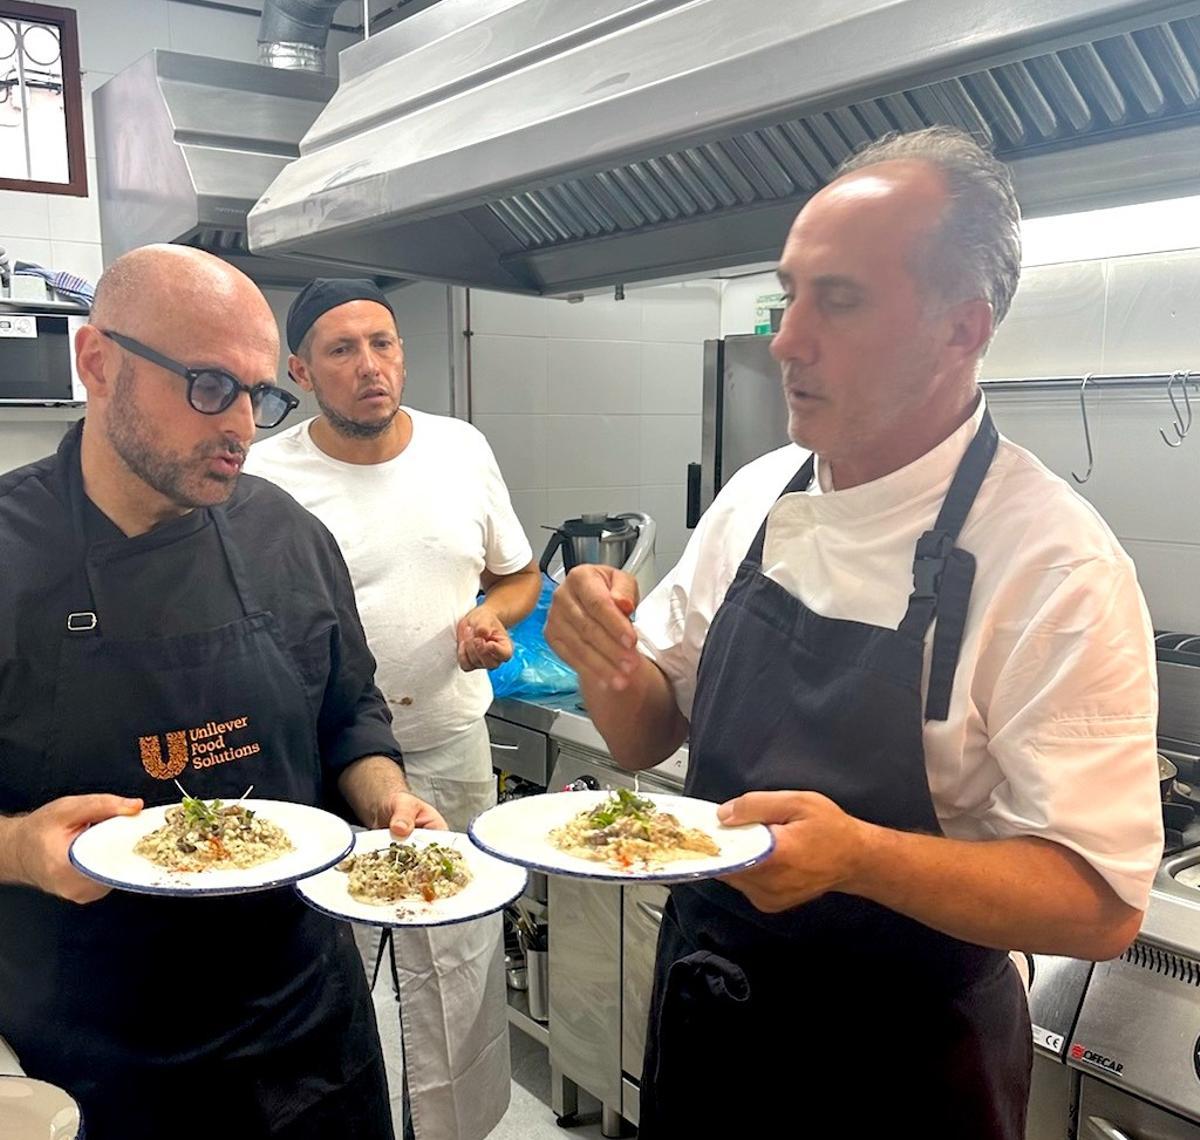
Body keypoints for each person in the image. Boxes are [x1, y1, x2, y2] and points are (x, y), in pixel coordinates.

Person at [545, 127, 1163, 1138]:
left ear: (961, 332)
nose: (788, 338)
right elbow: (646, 736)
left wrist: (858, 856)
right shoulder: (756, 497)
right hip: (715, 1027)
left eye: (839, 299)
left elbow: (1098, 904)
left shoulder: (1053, 563)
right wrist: (604, 656)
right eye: (790, 293)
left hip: (903, 1072)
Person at [0, 245, 446, 1140]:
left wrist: (388, 798)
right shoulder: (10, 552)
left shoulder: (287, 536)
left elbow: (349, 717)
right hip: (97, 1058)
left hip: (307, 1034)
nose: (242, 424)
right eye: (209, 385)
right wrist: (16, 848)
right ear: (97, 362)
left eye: (258, 394)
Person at [244, 278, 539, 1140]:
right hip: (318, 768)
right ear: (300, 370)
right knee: (326, 969)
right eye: (342, 350)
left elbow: (515, 574)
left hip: (447, 750)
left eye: (384, 343)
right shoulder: (266, 476)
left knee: (456, 962)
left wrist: (494, 616)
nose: (370, 366)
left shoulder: (460, 450)